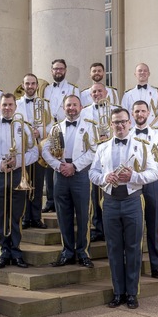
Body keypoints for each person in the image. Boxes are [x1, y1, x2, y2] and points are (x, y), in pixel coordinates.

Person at [89, 107, 158, 309]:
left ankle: (132, 293)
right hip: (109, 201)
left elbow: (153, 172)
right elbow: (92, 173)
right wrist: (104, 178)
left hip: (132, 201)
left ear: (129, 123)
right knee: (114, 248)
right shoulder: (102, 148)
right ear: (111, 125)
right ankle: (118, 292)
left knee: (134, 248)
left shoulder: (142, 146)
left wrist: (134, 177)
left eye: (122, 122)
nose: (119, 125)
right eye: (115, 122)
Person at [0, 93, 39, 269]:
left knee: (16, 214)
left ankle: (16, 250)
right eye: (4, 105)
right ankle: (3, 251)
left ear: (15, 106)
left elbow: (34, 153)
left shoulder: (25, 127)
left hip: (17, 174)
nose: (7, 108)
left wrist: (18, 162)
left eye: (10, 105)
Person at [42, 95, 97, 268]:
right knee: (62, 215)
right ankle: (67, 252)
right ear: (64, 108)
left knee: (83, 215)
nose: (71, 108)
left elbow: (95, 150)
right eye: (68, 105)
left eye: (74, 105)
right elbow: (45, 150)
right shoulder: (55, 128)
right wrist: (59, 166)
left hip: (80, 174)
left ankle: (83, 252)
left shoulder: (90, 126)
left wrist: (74, 166)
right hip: (60, 174)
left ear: (81, 107)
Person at [131, 100, 158, 280]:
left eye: (142, 111)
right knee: (133, 226)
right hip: (132, 183)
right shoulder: (126, 134)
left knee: (153, 224)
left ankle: (157, 266)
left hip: (152, 182)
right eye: (136, 111)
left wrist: (152, 172)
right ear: (132, 114)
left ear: (148, 113)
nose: (140, 114)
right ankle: (133, 269)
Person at [81, 82, 119, 242]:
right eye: (94, 92)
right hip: (94, 156)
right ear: (90, 95)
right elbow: (82, 134)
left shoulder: (115, 110)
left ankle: (112, 227)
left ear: (106, 93)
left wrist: (109, 136)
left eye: (99, 91)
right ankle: (98, 226)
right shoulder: (84, 112)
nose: (97, 94)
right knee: (95, 195)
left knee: (111, 192)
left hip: (112, 156)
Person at [42, 59, 80, 213]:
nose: (58, 71)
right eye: (55, 69)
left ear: (65, 71)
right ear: (52, 71)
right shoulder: (46, 89)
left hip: (66, 128)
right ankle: (51, 200)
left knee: (64, 160)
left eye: (61, 69)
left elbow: (75, 108)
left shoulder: (73, 88)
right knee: (50, 166)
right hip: (51, 129)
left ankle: (67, 199)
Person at [16, 73, 52, 229]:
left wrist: (41, 132)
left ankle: (36, 218)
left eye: (32, 83)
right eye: (27, 83)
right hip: (23, 149)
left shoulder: (45, 104)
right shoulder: (16, 104)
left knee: (37, 184)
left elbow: (51, 125)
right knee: (23, 184)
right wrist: (27, 132)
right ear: (23, 86)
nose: (30, 86)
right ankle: (24, 217)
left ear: (37, 86)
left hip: (38, 147)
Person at [121, 62, 158, 126]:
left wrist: (150, 129)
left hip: (153, 132)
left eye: (145, 71)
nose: (142, 72)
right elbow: (123, 115)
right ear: (135, 74)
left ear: (149, 74)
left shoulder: (157, 93)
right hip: (132, 132)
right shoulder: (127, 95)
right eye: (140, 71)